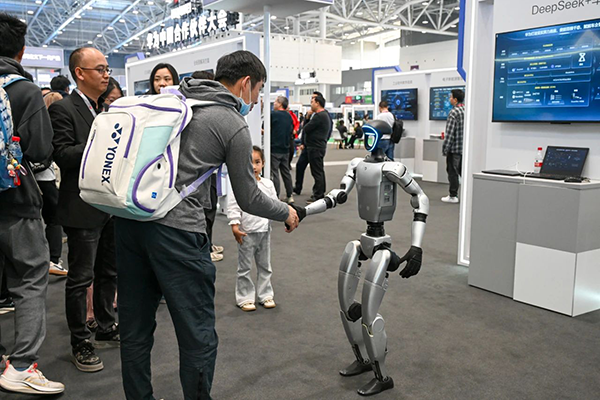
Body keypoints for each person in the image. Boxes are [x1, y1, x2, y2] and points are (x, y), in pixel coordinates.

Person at [114, 50, 300, 400]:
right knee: (197, 334)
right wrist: (286, 212)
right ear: (245, 83)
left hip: (130, 221)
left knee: (135, 329)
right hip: (178, 232)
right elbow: (249, 197)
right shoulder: (230, 121)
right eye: (258, 91)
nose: (256, 100)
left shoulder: (175, 100)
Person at [0, 12, 64, 394]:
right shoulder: (24, 91)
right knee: (29, 277)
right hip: (16, 202)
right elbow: (41, 150)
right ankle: (21, 366)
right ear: (21, 51)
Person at [50, 46, 119, 373]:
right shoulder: (63, 109)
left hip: (109, 204)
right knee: (80, 278)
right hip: (81, 206)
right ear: (80, 73)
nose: (106, 75)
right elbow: (62, 154)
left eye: (107, 69)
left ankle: (105, 324)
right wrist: (100, 141)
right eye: (100, 69)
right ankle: (81, 341)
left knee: (109, 271)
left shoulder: (103, 110)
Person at [228, 146, 279, 311]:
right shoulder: (239, 185)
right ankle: (244, 297)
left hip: (264, 231)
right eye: (249, 162)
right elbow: (233, 206)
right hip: (246, 232)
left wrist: (284, 217)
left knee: (265, 265)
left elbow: (275, 204)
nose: (254, 166)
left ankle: (266, 295)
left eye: (257, 162)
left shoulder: (268, 184)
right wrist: (234, 225)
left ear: (263, 163)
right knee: (244, 267)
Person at [190, 69, 224, 262]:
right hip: (199, 175)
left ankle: (207, 245)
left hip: (208, 173)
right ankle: (204, 251)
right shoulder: (197, 111)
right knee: (203, 213)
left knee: (208, 211)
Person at [34, 90, 66, 276]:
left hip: (32, 178)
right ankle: (54, 259)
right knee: (54, 220)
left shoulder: (37, 123)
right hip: (47, 178)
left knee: (35, 220)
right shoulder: (58, 124)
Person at [304, 92, 331, 203]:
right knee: (318, 170)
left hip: (315, 147)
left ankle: (318, 194)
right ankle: (319, 192)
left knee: (317, 172)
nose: (311, 104)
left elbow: (306, 128)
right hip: (319, 146)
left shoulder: (319, 116)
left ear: (317, 103)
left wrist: (307, 118)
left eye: (312, 102)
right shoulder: (325, 115)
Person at [441, 89, 465, 204]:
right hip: (464, 148)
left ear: (455, 99)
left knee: (452, 173)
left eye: (450, 97)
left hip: (454, 149)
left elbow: (450, 134)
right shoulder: (466, 110)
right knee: (462, 172)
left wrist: (445, 148)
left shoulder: (454, 112)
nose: (449, 99)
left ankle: (453, 195)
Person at [271, 95, 295, 204]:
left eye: (276, 101)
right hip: (285, 149)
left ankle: (276, 196)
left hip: (274, 148)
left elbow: (264, 127)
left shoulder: (273, 115)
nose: (274, 103)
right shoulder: (289, 116)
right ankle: (290, 195)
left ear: (280, 104)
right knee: (286, 173)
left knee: (274, 173)